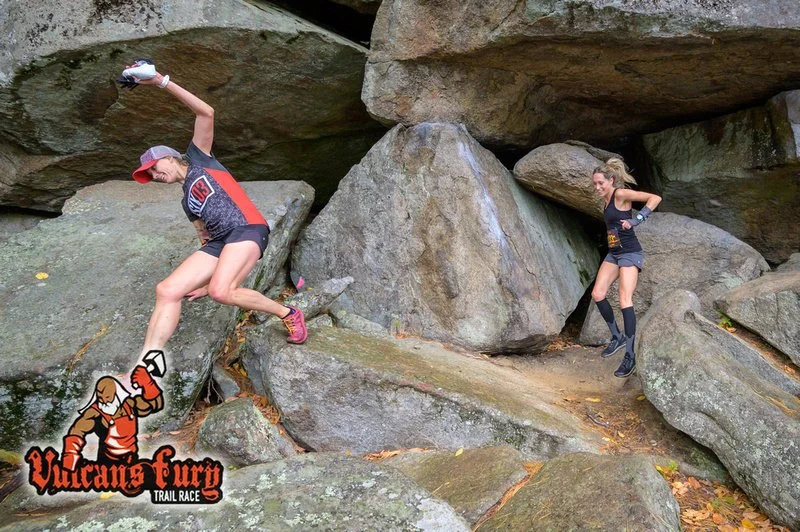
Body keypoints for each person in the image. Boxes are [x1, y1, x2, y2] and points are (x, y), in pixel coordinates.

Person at [127, 63, 307, 357]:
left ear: (171, 158)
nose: (155, 176)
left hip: (247, 228)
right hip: (221, 241)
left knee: (221, 292)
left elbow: (205, 112)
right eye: (149, 176)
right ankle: (145, 367)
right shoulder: (187, 201)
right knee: (167, 290)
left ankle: (288, 313)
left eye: (154, 169)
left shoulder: (200, 159)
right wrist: (206, 277)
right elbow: (205, 241)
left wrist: (161, 81)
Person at [590, 158, 661, 378]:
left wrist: (637, 219)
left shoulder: (620, 194)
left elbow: (654, 198)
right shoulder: (605, 200)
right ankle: (617, 337)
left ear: (611, 180)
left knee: (624, 300)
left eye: (601, 183)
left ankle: (629, 356)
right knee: (598, 293)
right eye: (595, 184)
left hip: (630, 253)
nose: (598, 187)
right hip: (614, 253)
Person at [61, 367, 162, 470]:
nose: (104, 401)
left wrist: (148, 384)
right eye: (101, 398)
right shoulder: (94, 413)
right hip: (107, 465)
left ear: (117, 394)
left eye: (108, 397)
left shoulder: (129, 405)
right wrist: (70, 459)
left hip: (131, 460)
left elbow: (155, 405)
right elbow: (76, 431)